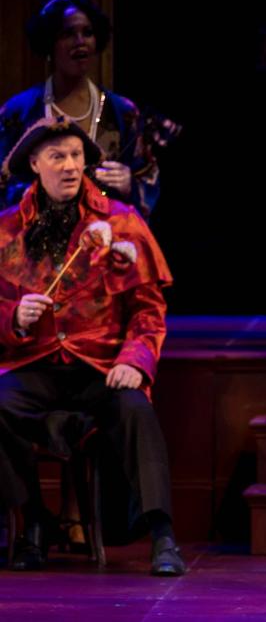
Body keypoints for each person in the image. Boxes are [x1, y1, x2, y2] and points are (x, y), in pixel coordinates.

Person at [0, 117, 181, 576]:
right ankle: (33, 523)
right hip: (35, 363)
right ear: (35, 164)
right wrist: (13, 319)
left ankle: (162, 535)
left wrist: (135, 360)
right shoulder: (6, 231)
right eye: (57, 157)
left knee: (135, 407)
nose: (70, 166)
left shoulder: (121, 222)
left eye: (77, 156)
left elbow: (148, 309)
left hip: (99, 365)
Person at [0, 0, 159, 216]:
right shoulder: (18, 112)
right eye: (68, 34)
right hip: (34, 243)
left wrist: (131, 185)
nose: (80, 41)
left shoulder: (123, 112)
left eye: (88, 33)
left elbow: (149, 183)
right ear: (49, 43)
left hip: (104, 241)